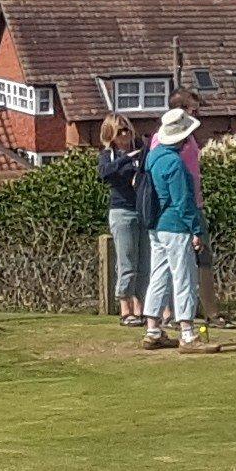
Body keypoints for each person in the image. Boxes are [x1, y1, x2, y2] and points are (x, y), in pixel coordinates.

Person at [140, 108, 208, 351]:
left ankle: (153, 329)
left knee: (158, 275)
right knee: (184, 277)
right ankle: (188, 333)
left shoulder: (153, 156)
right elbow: (183, 202)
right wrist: (197, 229)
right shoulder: (175, 164)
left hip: (156, 225)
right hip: (176, 226)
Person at [95, 117, 154, 327]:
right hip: (122, 212)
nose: (125, 135)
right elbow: (104, 174)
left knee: (144, 264)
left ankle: (141, 308)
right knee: (127, 263)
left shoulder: (142, 152)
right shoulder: (108, 155)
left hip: (141, 210)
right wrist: (124, 160)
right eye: (119, 131)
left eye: (127, 130)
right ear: (110, 134)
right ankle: (125, 309)